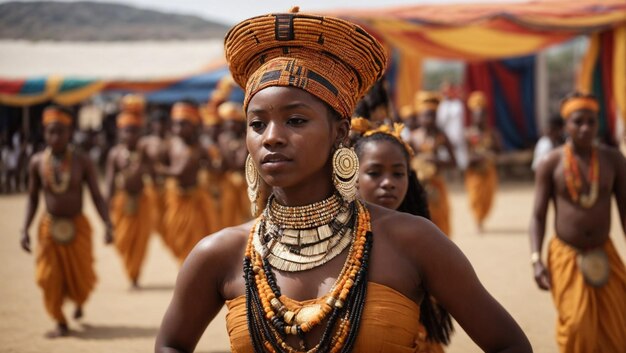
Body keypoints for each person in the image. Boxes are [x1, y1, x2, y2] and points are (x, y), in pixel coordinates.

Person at [156, 9, 531, 353]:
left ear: (339, 133)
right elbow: (170, 344)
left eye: (296, 120)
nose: (271, 136)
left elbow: (509, 345)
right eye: (257, 124)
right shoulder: (220, 254)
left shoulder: (411, 240)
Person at [529, 92, 626, 352]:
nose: (585, 128)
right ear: (566, 125)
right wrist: (536, 259)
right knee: (576, 325)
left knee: (617, 327)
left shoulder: (613, 160)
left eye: (591, 121)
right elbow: (538, 215)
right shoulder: (550, 163)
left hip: (604, 253)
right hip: (566, 256)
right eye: (578, 121)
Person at [354, 123, 450, 352]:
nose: (388, 183)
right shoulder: (330, 239)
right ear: (351, 173)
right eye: (374, 173)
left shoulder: (422, 241)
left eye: (398, 173)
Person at [19, 106, 114, 338]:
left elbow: (96, 196)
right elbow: (32, 198)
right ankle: (60, 321)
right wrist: (24, 228)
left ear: (69, 132)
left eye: (60, 132)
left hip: (77, 227)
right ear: (44, 132)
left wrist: (108, 224)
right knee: (48, 277)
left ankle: (78, 302)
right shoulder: (37, 162)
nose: (55, 137)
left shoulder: (83, 161)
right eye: (51, 132)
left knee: (81, 277)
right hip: (49, 228)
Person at [158, 101, 216, 263]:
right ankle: (185, 263)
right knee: (177, 236)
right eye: (175, 124)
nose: (178, 129)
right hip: (175, 198)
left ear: (193, 125)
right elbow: (158, 166)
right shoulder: (169, 145)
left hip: (196, 199)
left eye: (183, 124)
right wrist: (172, 172)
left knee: (197, 237)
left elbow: (213, 167)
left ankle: (192, 265)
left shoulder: (200, 148)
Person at [105, 112, 155, 289]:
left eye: (134, 131)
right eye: (127, 131)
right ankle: (130, 271)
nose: (130, 135)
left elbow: (153, 175)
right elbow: (110, 181)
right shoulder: (115, 154)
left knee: (140, 242)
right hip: (122, 203)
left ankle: (134, 276)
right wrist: (106, 213)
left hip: (142, 201)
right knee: (123, 241)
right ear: (120, 132)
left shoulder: (144, 153)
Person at [409, 91, 457, 236]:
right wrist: (418, 163)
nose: (429, 119)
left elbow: (453, 162)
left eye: (433, 115)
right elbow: (405, 161)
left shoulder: (442, 137)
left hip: (437, 184)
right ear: (419, 117)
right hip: (419, 185)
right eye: (426, 115)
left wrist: (438, 161)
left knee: (439, 218)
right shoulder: (413, 138)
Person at [464, 91, 501, 233]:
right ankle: (477, 220)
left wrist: (489, 155)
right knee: (475, 197)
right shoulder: (468, 134)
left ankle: (482, 218)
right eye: (476, 116)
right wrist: (475, 159)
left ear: (486, 116)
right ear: (473, 117)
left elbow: (499, 151)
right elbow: (465, 155)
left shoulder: (492, 134)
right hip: (474, 172)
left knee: (487, 198)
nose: (479, 119)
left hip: (488, 171)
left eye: (482, 115)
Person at [217, 100, 250, 226]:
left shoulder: (246, 139)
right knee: (229, 214)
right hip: (228, 183)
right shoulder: (223, 139)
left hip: (247, 182)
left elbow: (240, 162)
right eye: (228, 122)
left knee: (248, 213)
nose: (231, 125)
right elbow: (225, 163)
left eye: (234, 122)